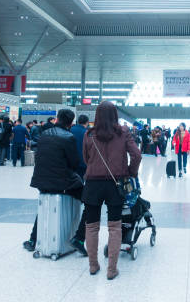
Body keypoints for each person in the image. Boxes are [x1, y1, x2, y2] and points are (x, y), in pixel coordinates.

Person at [83, 101, 141, 280]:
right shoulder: (123, 132)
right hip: (116, 184)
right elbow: (136, 155)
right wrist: (131, 172)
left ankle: (93, 266)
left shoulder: (90, 134)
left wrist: (94, 169)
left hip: (93, 184)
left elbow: (86, 158)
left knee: (91, 226)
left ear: (97, 115)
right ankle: (111, 269)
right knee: (114, 227)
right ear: (115, 115)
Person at [24, 109, 88, 257]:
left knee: (46, 202)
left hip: (41, 181)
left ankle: (33, 240)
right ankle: (78, 238)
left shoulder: (44, 134)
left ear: (57, 118)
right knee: (90, 201)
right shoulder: (69, 137)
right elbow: (74, 163)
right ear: (71, 122)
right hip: (62, 183)